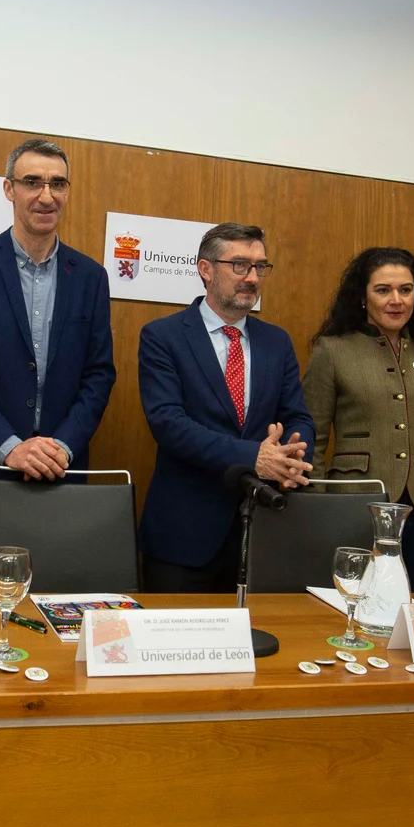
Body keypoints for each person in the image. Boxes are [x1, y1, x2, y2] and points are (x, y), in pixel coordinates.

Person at [0, 139, 115, 585]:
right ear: (9, 189)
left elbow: (99, 375)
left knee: (56, 610)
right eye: (32, 182)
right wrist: (11, 446)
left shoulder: (91, 276)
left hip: (62, 475)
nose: (46, 195)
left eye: (57, 183)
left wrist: (62, 448)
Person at [136, 222, 314, 592]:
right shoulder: (163, 337)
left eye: (260, 267)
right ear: (206, 269)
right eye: (240, 265)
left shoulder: (276, 342)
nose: (252, 277)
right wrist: (255, 457)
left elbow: (297, 416)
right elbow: (168, 423)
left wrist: (293, 457)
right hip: (184, 538)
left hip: (265, 531)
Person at [302, 247, 414, 592]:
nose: (396, 300)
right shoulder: (332, 350)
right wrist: (317, 510)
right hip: (355, 506)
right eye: (383, 290)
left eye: (406, 289)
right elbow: (311, 441)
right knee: (356, 605)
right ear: (362, 297)